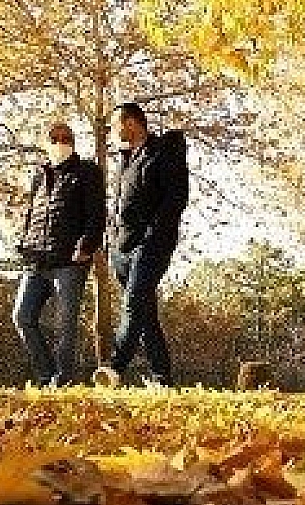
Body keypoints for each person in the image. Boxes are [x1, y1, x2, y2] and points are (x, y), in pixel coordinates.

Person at [94, 102, 188, 387]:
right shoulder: (126, 159)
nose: (112, 131)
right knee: (144, 311)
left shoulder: (163, 152)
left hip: (151, 245)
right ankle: (162, 377)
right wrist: (111, 242)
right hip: (121, 249)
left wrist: (154, 237)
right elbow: (120, 207)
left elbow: (176, 199)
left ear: (132, 123)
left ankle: (113, 368)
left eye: (115, 124)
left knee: (134, 303)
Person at [12, 121, 105, 387]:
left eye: (66, 137)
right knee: (22, 317)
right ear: (46, 142)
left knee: (65, 324)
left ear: (74, 142)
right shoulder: (39, 175)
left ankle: (62, 380)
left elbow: (97, 214)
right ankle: (46, 375)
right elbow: (32, 213)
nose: (60, 142)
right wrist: (23, 242)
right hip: (36, 260)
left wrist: (86, 246)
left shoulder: (87, 171)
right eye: (55, 138)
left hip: (70, 261)